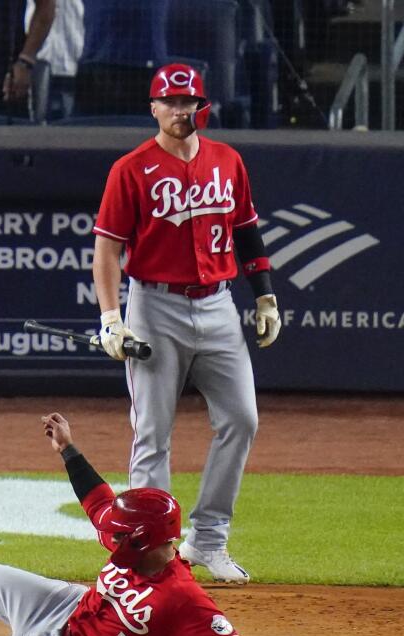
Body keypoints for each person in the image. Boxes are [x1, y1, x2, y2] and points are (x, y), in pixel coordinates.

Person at [0, 412, 303, 636]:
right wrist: (68, 448)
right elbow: (96, 499)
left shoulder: (183, 600)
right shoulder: (133, 537)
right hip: (64, 606)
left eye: (118, 533)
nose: (108, 534)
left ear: (143, 539)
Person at [91, 63, 282, 584]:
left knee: (241, 418)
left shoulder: (227, 160)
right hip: (155, 305)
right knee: (153, 432)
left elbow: (247, 233)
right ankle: (149, 552)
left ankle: (209, 540)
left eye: (189, 102)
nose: (181, 111)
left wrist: (264, 297)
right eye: (170, 102)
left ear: (203, 105)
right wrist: (112, 316)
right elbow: (106, 251)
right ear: (153, 108)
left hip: (218, 303)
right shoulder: (131, 169)